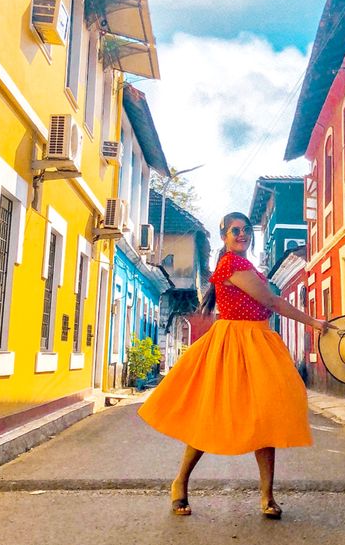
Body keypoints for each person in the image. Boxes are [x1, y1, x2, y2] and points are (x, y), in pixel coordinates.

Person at [138, 211, 332, 520]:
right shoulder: (231, 264)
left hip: (258, 341)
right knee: (210, 415)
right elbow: (272, 302)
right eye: (235, 230)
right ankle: (180, 483)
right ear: (225, 236)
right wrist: (313, 322)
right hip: (233, 343)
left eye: (245, 230)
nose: (242, 234)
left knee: (265, 417)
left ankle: (267, 496)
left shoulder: (244, 264)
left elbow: (266, 305)